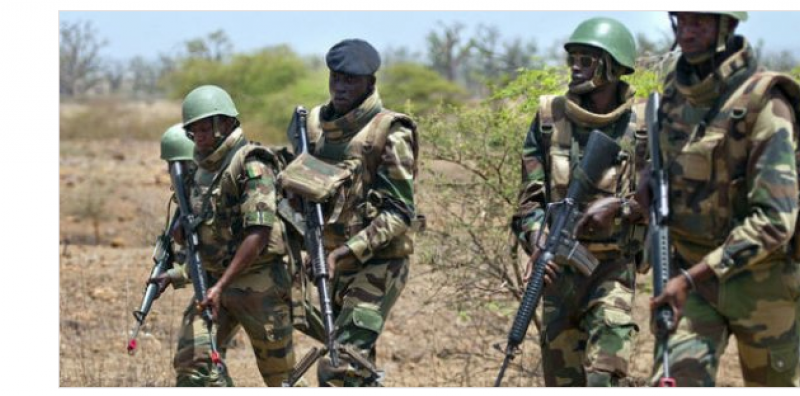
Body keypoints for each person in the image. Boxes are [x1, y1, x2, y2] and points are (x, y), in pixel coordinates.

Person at [641, 11, 800, 386]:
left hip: (763, 283)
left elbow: (775, 221)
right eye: (682, 21)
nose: (687, 32)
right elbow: (663, 160)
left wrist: (694, 277)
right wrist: (645, 178)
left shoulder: (766, 103)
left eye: (700, 22)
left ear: (726, 27)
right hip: (691, 282)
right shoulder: (673, 94)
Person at [510, 17, 647, 386]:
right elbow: (529, 199)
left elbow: (663, 197)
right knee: (561, 382)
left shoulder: (643, 125)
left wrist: (620, 208)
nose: (575, 67)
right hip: (558, 275)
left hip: (612, 271)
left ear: (614, 67)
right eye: (573, 58)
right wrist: (539, 241)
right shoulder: (548, 119)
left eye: (586, 60)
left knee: (604, 378)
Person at [151, 85, 297, 386]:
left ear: (227, 123)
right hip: (213, 285)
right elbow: (203, 240)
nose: (200, 136)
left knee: (281, 380)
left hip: (259, 286)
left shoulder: (252, 162)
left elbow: (258, 234)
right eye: (194, 130)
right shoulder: (198, 170)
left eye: (206, 127)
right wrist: (179, 266)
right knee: (193, 368)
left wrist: (221, 285)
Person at [293, 38, 419, 387]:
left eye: (350, 80)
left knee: (340, 365)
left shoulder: (389, 132)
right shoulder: (315, 127)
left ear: (370, 84)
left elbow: (399, 213)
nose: (341, 86)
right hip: (331, 260)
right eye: (336, 78)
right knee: (357, 365)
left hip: (379, 262)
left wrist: (345, 252)